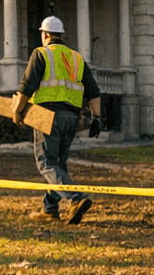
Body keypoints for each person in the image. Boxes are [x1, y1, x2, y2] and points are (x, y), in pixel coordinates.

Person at [14, 15, 102, 224]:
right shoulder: (76, 58)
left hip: (47, 115)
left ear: (44, 35)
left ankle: (75, 198)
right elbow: (93, 91)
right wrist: (96, 117)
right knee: (59, 162)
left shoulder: (41, 53)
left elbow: (27, 85)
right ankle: (50, 209)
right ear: (61, 35)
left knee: (46, 162)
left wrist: (17, 111)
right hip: (71, 117)